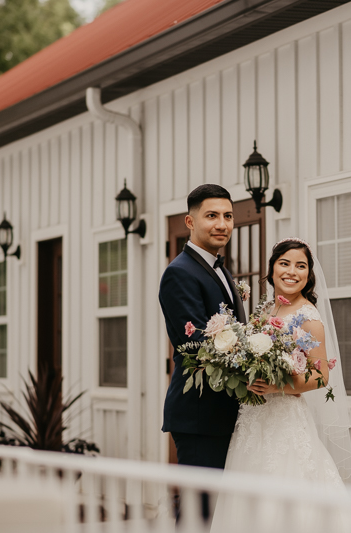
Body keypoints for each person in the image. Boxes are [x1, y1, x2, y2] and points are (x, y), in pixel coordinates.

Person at [210, 238, 351, 532]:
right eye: (285, 263)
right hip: (253, 420)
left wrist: (275, 388)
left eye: (300, 266)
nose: (292, 271)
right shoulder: (265, 310)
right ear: (272, 269)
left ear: (309, 274)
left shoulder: (309, 318)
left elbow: (321, 376)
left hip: (286, 422)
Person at [159, 184, 246, 517]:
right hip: (200, 414)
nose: (221, 223)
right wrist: (252, 366)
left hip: (226, 413)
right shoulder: (179, 273)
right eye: (211, 215)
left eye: (227, 216)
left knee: (221, 512)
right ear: (190, 221)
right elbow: (195, 345)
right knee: (199, 513)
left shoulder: (220, 270)